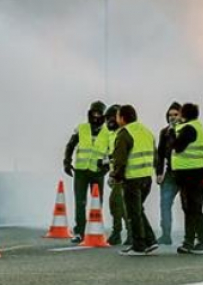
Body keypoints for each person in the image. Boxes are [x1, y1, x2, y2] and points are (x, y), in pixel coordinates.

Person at [110, 104, 158, 256]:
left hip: (132, 178)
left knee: (133, 213)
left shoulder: (124, 133)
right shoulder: (146, 131)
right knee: (138, 210)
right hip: (146, 178)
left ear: (122, 118)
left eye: (117, 116)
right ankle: (150, 241)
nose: (116, 119)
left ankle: (138, 246)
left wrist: (116, 176)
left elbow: (120, 159)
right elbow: (155, 155)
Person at [63, 100, 109, 244]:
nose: (96, 116)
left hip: (97, 172)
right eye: (93, 113)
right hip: (81, 171)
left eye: (99, 113)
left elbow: (112, 153)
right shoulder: (81, 128)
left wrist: (106, 168)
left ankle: (95, 229)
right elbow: (70, 145)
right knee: (80, 202)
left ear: (103, 115)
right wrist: (67, 161)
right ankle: (79, 231)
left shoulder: (108, 132)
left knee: (97, 202)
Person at [170, 103, 203, 255]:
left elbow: (178, 146)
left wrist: (172, 133)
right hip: (193, 175)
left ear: (183, 114)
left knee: (193, 209)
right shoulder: (195, 126)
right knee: (191, 209)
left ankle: (199, 241)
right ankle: (193, 241)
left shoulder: (188, 128)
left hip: (195, 175)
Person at [156, 102, 181, 245]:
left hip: (184, 173)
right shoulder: (164, 132)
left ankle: (192, 236)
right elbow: (160, 154)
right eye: (170, 115)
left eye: (175, 114)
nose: (172, 117)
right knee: (165, 204)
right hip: (170, 173)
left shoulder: (186, 130)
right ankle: (166, 235)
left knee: (188, 205)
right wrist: (159, 172)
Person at [104, 104, 130, 245]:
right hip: (117, 175)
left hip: (125, 175)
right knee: (115, 204)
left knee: (122, 204)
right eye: (107, 118)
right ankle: (118, 232)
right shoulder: (112, 135)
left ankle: (127, 232)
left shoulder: (124, 133)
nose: (109, 121)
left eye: (112, 117)